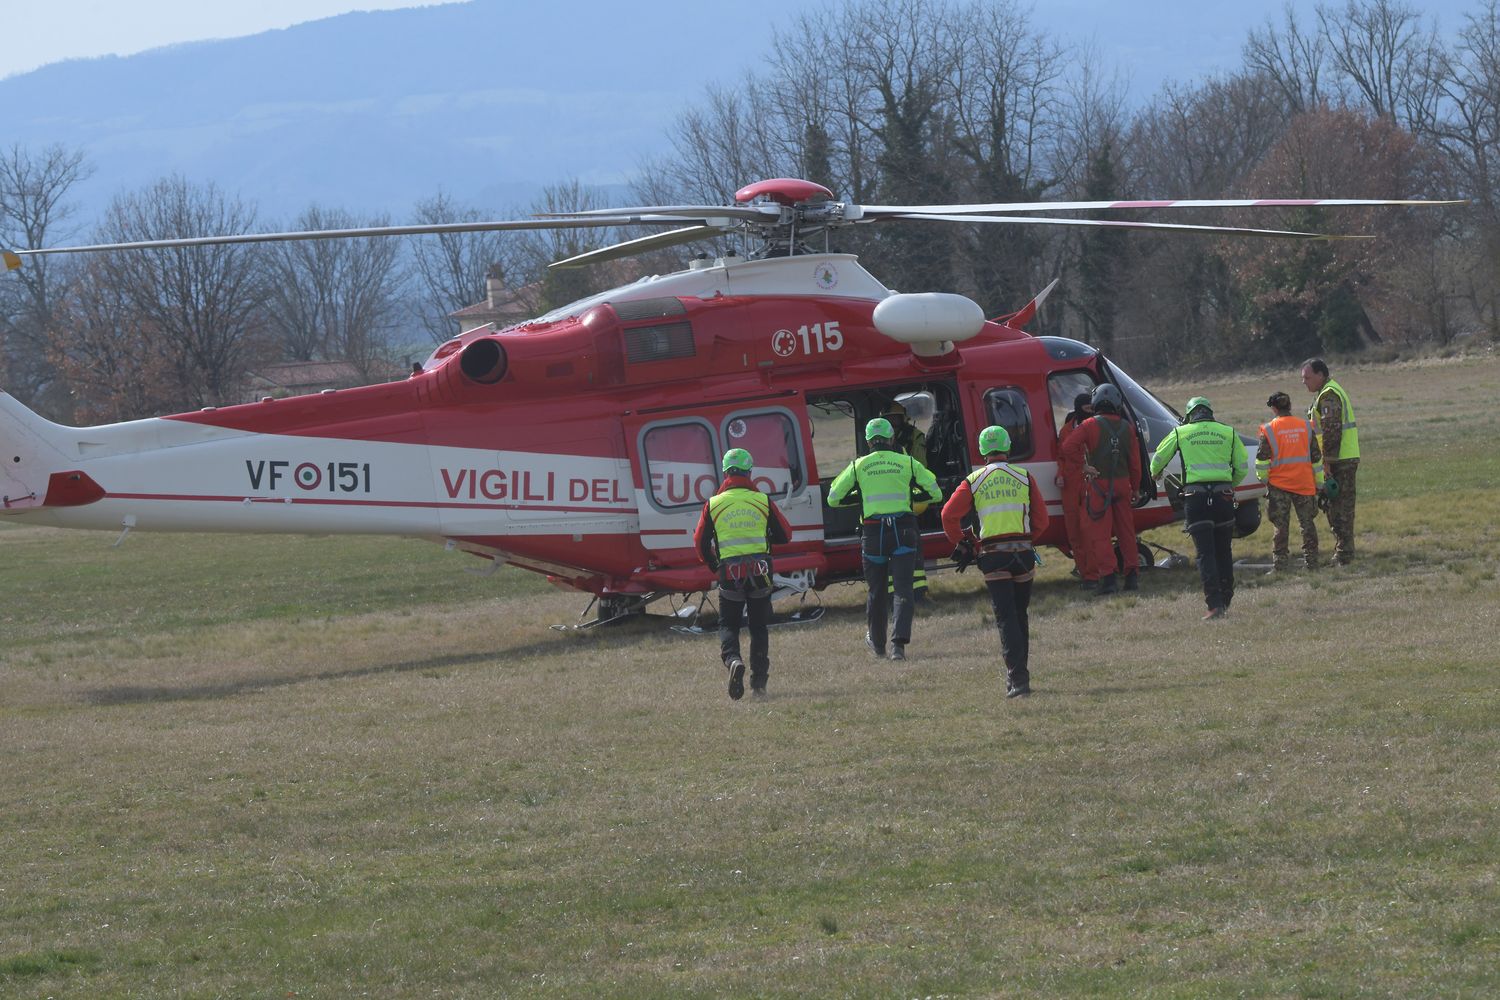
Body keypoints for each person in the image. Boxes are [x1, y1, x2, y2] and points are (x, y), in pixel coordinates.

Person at [942, 425, 1051, 698]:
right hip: (1023, 554)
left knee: (1006, 618)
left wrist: (965, 543)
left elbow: (948, 515)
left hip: (993, 556)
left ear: (982, 450)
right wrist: (1028, 538)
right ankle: (1020, 676)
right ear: (1007, 447)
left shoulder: (974, 480)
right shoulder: (1025, 477)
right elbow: (1042, 520)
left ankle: (1017, 680)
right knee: (1020, 615)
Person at [827, 417, 943, 661]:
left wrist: (860, 497)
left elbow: (834, 498)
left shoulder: (859, 466)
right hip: (903, 530)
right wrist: (911, 495)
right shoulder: (907, 463)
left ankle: (878, 645)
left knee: (876, 591)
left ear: (869, 442)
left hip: (873, 533)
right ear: (892, 439)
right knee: (903, 588)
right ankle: (898, 646)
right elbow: (935, 492)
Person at [694, 447, 792, 699]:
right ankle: (759, 683)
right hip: (760, 574)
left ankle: (733, 660)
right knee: (759, 628)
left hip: (729, 574)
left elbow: (700, 543)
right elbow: (786, 535)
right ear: (749, 473)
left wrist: (715, 566)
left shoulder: (713, 504)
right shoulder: (761, 500)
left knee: (729, 624)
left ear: (725, 472)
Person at [1150, 396, 1249, 620]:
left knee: (1205, 554)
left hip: (1196, 498)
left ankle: (1214, 605)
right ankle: (1226, 598)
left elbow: (1158, 458)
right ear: (1209, 412)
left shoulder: (1180, 432)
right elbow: (1242, 466)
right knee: (1224, 550)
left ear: (1189, 415)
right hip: (1223, 497)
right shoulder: (1228, 432)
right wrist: (1229, 485)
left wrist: (1155, 473)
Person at [1059, 383, 1142, 595]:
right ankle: (1132, 577)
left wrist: (1083, 466)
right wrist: (1136, 489)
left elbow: (1067, 447)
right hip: (1123, 485)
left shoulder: (1088, 425)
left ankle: (1109, 580)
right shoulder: (1128, 428)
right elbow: (1135, 463)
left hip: (1099, 487)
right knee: (1126, 533)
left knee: (1100, 535)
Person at [1301, 357, 1360, 565]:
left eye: (1307, 377)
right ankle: (1343, 551)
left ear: (1320, 375)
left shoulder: (1329, 395)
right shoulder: (1325, 393)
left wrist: (1327, 463)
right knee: (1336, 505)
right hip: (1340, 458)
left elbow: (1332, 431)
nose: (1304, 382)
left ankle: (1344, 555)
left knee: (1340, 508)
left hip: (1340, 460)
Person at [1256, 391, 1323, 571]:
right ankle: (1312, 563)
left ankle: (1280, 565)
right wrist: (1319, 482)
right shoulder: (1306, 427)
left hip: (1279, 485)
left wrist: (1263, 480)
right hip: (1304, 483)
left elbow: (1262, 459)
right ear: (1290, 406)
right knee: (1307, 524)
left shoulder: (1268, 430)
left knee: (1280, 526)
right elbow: (1316, 458)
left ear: (1274, 408)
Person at [883, 399, 931, 603]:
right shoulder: (883, 441)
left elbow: (920, 467)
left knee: (911, 547)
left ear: (903, 419)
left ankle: (918, 593)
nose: (892, 422)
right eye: (888, 419)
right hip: (892, 497)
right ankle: (896, 594)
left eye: (895, 418)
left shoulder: (914, 437)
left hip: (908, 493)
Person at [1057, 391, 1095, 587]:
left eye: (1091, 408)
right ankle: (1085, 573)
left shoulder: (1098, 427)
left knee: (1091, 531)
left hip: (1092, 484)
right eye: (1086, 409)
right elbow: (1061, 457)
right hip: (1071, 485)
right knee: (1074, 533)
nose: (1089, 412)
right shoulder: (1066, 431)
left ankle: (1096, 573)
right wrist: (1061, 475)